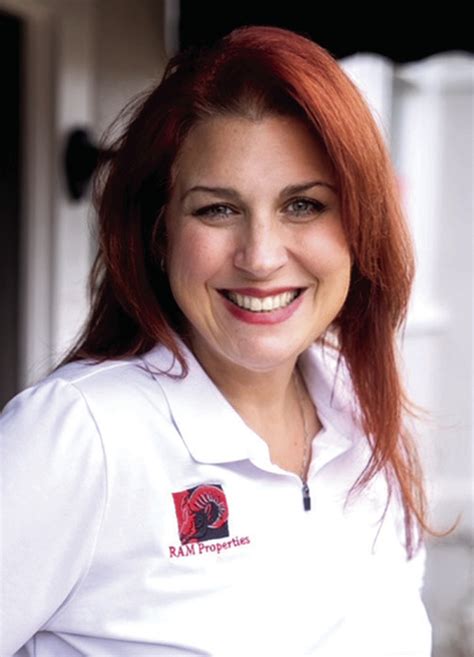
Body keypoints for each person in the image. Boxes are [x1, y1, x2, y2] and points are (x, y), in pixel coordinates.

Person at [0, 25, 432, 657]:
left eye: (304, 205)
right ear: (160, 234)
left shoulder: (364, 417)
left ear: (360, 226)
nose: (261, 257)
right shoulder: (81, 434)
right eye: (217, 210)